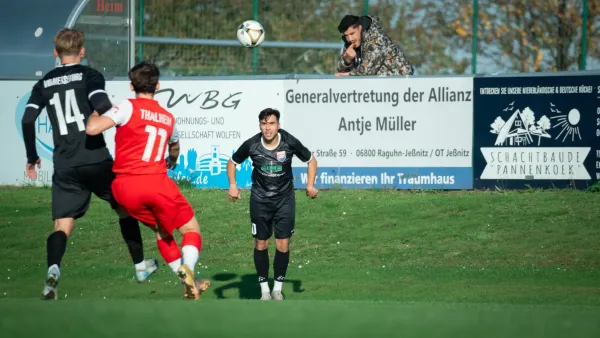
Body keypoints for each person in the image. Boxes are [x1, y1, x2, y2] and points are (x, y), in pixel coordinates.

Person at [21, 28, 157, 301]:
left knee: (62, 226)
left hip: (65, 165)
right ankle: (140, 266)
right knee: (123, 210)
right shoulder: (90, 75)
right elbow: (103, 104)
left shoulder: (44, 83)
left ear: (55, 53)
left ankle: (53, 273)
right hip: (95, 159)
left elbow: (27, 120)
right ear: (82, 51)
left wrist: (31, 156)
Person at [85, 61, 210, 300]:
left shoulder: (126, 107)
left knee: (162, 231)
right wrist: (171, 161)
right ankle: (189, 268)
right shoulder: (167, 117)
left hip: (124, 187)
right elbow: (174, 149)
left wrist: (94, 112)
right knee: (191, 228)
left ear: (132, 86)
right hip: (155, 182)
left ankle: (189, 283)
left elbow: (93, 129)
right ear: (158, 86)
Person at [226, 108, 318, 300]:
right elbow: (232, 162)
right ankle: (264, 291)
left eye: (271, 124)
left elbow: (311, 160)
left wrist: (310, 185)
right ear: (260, 125)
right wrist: (233, 185)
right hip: (260, 200)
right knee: (261, 243)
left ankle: (277, 289)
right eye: (264, 124)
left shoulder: (289, 141)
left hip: (285, 200)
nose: (267, 128)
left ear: (278, 125)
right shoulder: (252, 144)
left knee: (283, 244)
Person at [335, 14, 414, 76]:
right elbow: (340, 71)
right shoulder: (350, 43)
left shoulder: (377, 38)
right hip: (376, 88)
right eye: (346, 35)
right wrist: (347, 60)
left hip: (400, 83)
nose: (350, 38)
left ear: (360, 27)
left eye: (352, 33)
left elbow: (367, 70)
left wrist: (350, 74)